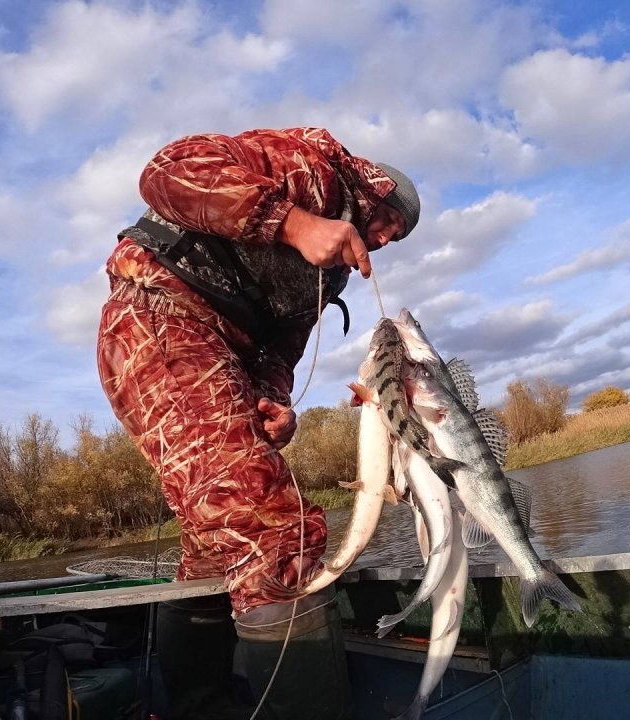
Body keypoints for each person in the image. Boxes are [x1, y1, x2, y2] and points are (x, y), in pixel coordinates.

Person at [96, 127, 420, 719]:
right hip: (159, 317)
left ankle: (201, 708)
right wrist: (297, 224)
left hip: (227, 360)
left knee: (219, 550)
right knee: (273, 532)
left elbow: (283, 343)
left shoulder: (334, 272)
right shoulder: (308, 169)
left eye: (394, 238)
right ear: (375, 192)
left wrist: (272, 398)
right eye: (387, 223)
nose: (384, 239)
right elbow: (166, 172)